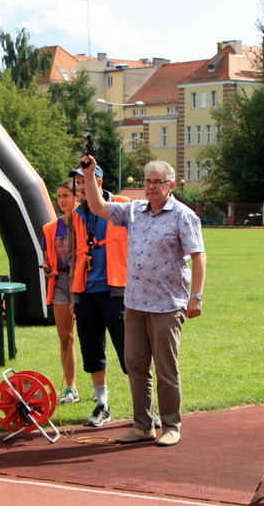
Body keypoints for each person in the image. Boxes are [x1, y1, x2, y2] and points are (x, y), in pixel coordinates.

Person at [80, 158, 206, 447]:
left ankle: (171, 426)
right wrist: (89, 175)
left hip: (167, 305)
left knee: (166, 369)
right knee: (135, 366)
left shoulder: (183, 215)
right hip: (135, 303)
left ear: (170, 185)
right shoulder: (134, 210)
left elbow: (199, 256)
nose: (150, 187)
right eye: (147, 181)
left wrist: (196, 296)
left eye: (157, 182)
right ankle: (143, 426)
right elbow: (98, 207)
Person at [69, 163, 130, 427]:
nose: (82, 186)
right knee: (92, 351)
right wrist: (74, 294)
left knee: (130, 353)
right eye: (79, 182)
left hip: (117, 291)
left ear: (100, 181)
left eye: (86, 180)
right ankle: (102, 405)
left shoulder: (122, 205)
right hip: (87, 293)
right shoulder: (78, 213)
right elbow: (76, 254)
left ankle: (146, 407)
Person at [41, 178, 80, 404]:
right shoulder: (50, 228)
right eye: (59, 196)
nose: (61, 200)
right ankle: (71, 388)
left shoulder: (85, 222)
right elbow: (48, 258)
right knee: (66, 337)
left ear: (77, 197)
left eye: (66, 195)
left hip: (84, 282)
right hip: (61, 283)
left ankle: (100, 390)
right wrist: (47, 267)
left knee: (92, 338)